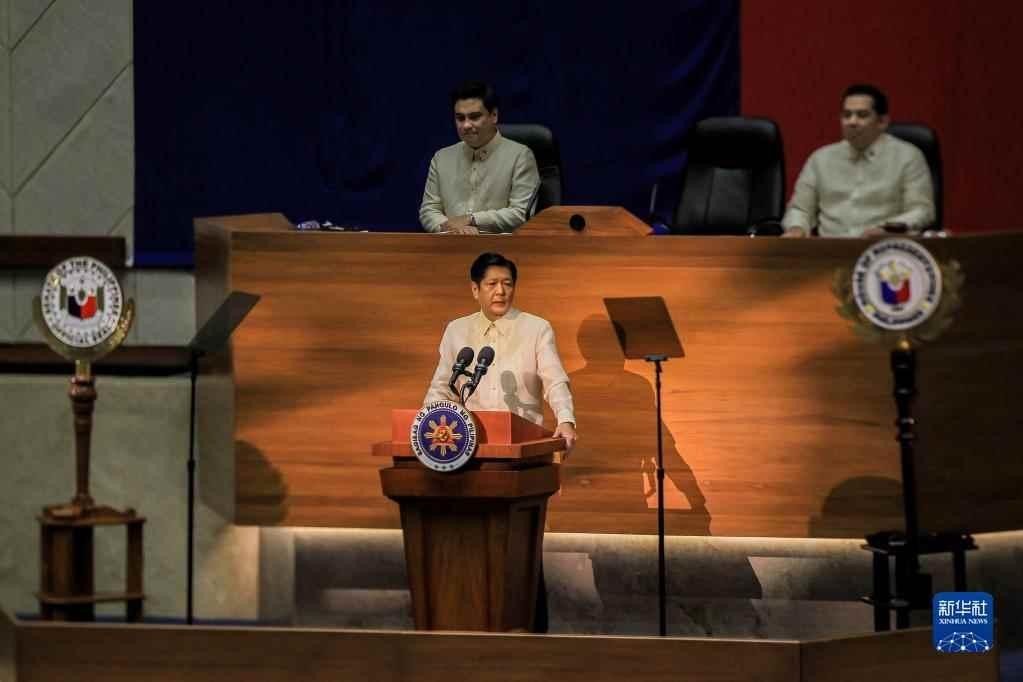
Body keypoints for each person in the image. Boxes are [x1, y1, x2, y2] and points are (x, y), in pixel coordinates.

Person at [782, 84, 935, 238]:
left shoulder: (908, 156)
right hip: (831, 248)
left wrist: (888, 229)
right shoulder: (820, 159)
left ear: (882, 121)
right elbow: (800, 209)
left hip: (883, 247)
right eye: (846, 115)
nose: (852, 121)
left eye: (862, 115)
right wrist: (797, 228)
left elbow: (922, 210)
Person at [419, 82, 540, 234]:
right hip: (449, 243)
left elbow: (521, 213)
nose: (466, 125)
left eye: (474, 117)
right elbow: (429, 210)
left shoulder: (520, 156)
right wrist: (451, 229)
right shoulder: (441, 158)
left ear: (494, 115)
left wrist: (472, 219)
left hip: (499, 247)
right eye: (460, 118)